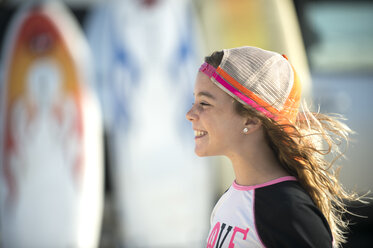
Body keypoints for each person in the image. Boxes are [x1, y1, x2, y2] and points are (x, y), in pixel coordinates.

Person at [186, 46, 359, 247]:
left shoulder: (288, 210)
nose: (190, 113)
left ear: (250, 120)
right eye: (195, 100)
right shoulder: (231, 198)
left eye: (204, 103)